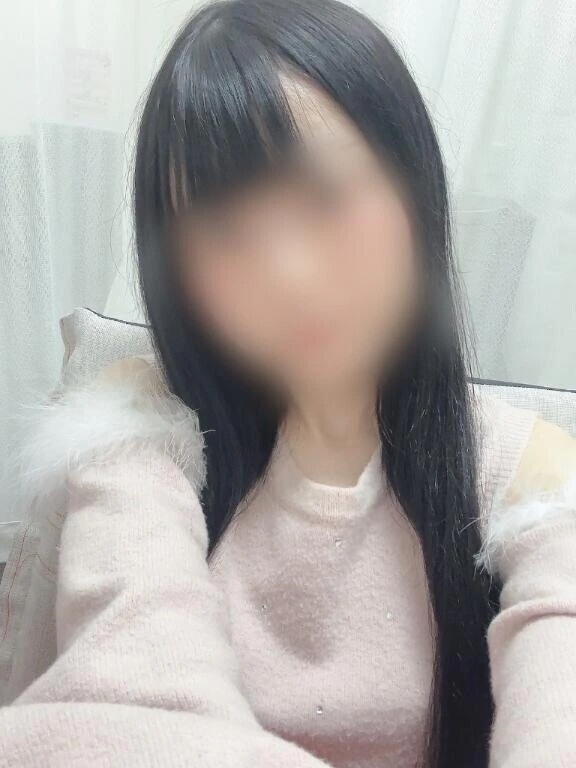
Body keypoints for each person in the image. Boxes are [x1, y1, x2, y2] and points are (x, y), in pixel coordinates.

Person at [1, 0, 575, 766]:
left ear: (414, 190)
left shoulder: (525, 471)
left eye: (325, 199)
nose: (288, 275)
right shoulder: (142, 427)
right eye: (223, 232)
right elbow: (135, 681)